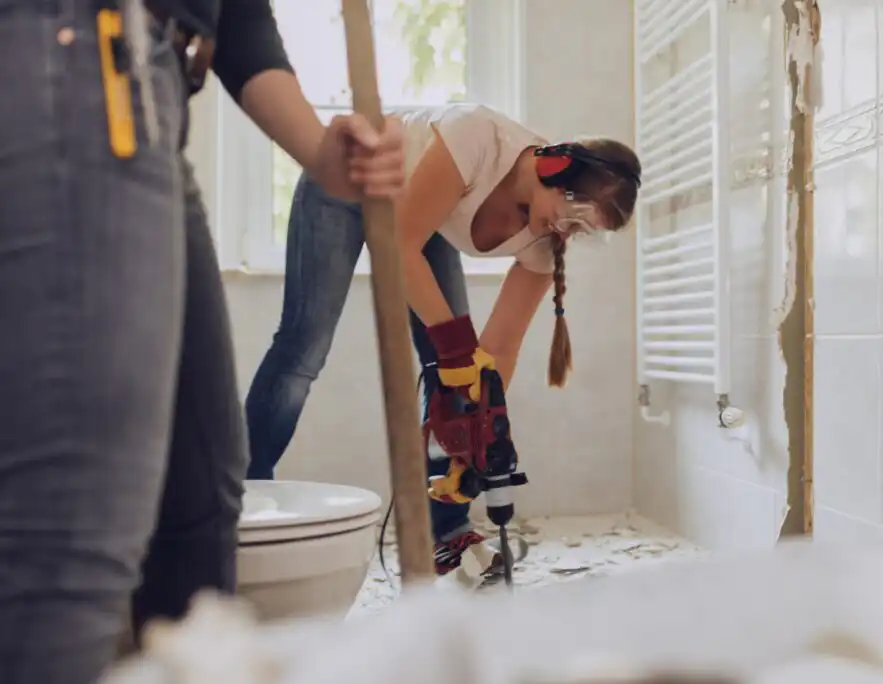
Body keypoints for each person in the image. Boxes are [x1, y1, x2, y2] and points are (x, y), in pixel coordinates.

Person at [0, 0, 404, 682]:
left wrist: (317, 151)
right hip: (80, 65)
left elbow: (236, 14)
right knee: (73, 542)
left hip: (143, 92)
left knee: (201, 493)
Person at [245, 103, 642, 576]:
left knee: (454, 374)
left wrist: (473, 428)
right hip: (347, 178)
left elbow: (498, 352)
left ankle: (447, 533)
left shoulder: (546, 241)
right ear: (553, 169)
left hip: (416, 213)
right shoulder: (479, 136)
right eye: (572, 216)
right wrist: (457, 353)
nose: (567, 233)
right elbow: (397, 245)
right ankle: (245, 495)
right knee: (304, 345)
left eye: (582, 230)